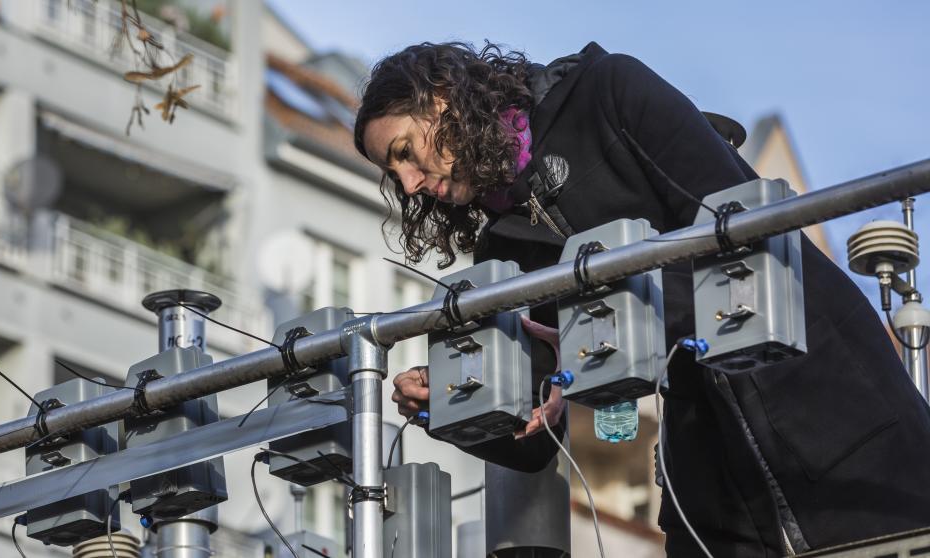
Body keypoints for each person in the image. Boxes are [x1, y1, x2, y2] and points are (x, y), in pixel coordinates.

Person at [353, 41, 930, 556]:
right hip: (712, 484)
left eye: (404, 150)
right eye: (391, 170)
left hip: (832, 413)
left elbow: (744, 245)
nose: (406, 183)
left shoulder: (609, 92)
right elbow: (535, 437)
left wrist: (597, 329)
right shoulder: (499, 251)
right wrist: (448, 404)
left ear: (444, 99)